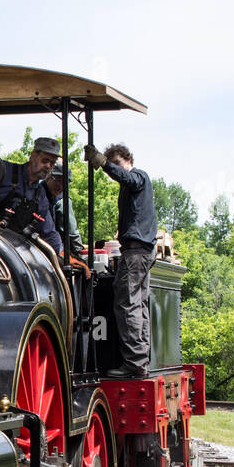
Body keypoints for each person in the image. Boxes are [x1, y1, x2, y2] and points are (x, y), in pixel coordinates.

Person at [85, 141, 157, 378]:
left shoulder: (138, 177)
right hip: (140, 251)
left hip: (136, 252)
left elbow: (128, 179)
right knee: (140, 305)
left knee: (127, 304)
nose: (115, 170)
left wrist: (104, 163)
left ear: (128, 160)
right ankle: (141, 361)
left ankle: (135, 363)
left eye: (118, 163)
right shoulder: (132, 186)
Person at [0, 136, 63, 255]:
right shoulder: (4, 172)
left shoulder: (40, 195)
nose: (48, 166)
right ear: (33, 156)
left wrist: (63, 256)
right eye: (45, 160)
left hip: (13, 252)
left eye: (52, 163)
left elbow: (49, 232)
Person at [45, 163, 85, 254]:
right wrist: (80, 252)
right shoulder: (62, 202)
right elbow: (71, 232)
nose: (60, 186)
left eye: (65, 183)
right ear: (48, 178)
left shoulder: (38, 192)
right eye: (58, 180)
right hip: (51, 249)